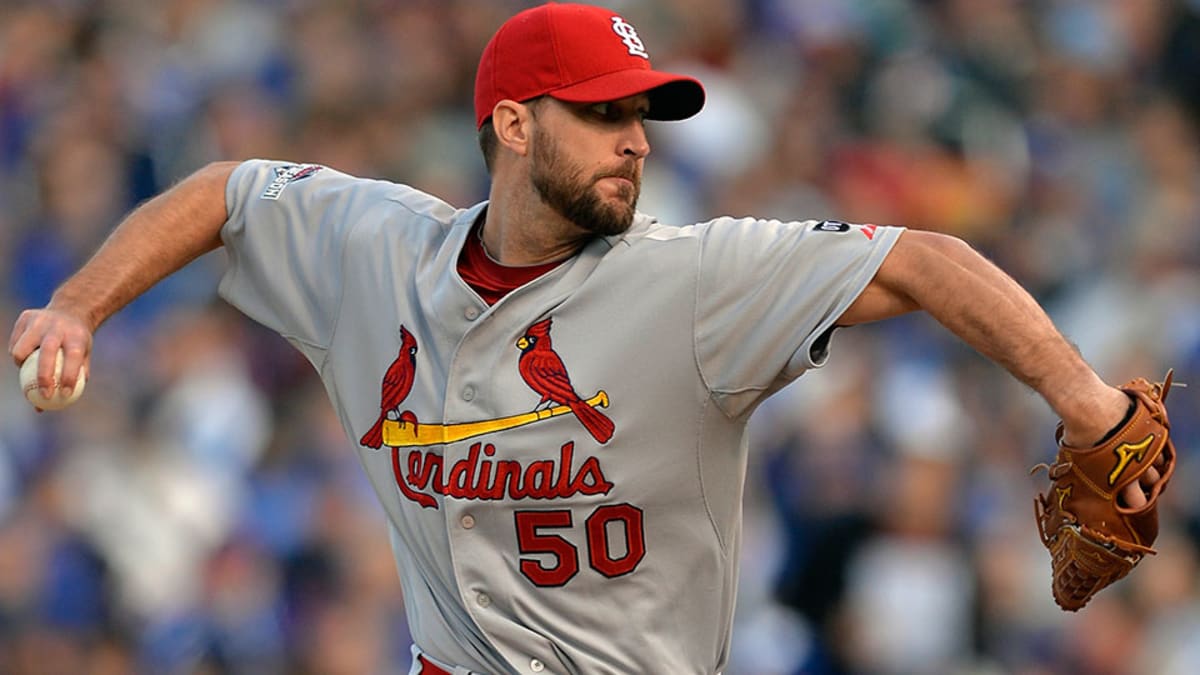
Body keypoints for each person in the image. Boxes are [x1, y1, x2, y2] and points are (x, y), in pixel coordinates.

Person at [6, 3, 1164, 674]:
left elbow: (921, 255)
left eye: (641, 116)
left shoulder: (696, 280)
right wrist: (80, 305)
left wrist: (1079, 399)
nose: (635, 141)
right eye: (603, 112)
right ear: (512, 123)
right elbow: (226, 190)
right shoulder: (374, 250)